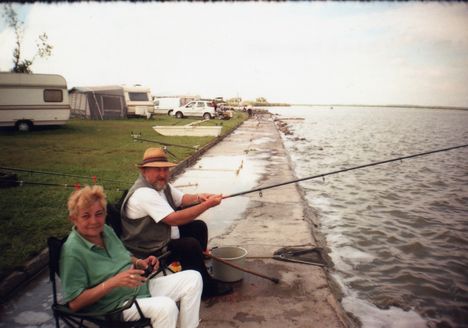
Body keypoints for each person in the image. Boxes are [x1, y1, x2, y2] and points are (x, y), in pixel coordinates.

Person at [60, 185, 202, 328]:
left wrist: (140, 262)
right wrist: (112, 282)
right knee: (167, 307)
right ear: (74, 218)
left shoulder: (105, 231)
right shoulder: (72, 252)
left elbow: (123, 255)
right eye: (86, 215)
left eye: (99, 213)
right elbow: (75, 303)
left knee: (193, 278)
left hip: (139, 287)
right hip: (116, 305)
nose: (94, 221)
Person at [120, 147, 233, 298]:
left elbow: (182, 198)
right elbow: (174, 219)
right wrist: (207, 205)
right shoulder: (143, 193)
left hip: (161, 235)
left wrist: (200, 197)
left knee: (198, 227)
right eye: (157, 170)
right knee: (189, 245)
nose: (162, 174)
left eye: (165, 170)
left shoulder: (161, 185)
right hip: (147, 248)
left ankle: (196, 268)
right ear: (144, 171)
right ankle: (206, 289)